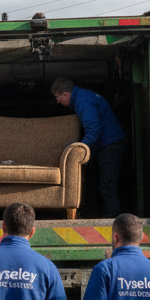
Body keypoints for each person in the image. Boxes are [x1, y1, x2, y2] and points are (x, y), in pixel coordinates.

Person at [51, 77, 126, 217]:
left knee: (107, 188)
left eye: (57, 97)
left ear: (66, 94)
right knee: (102, 186)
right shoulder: (83, 97)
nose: (57, 101)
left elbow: (93, 130)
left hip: (110, 145)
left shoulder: (83, 101)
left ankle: (113, 223)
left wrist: (79, 150)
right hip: (107, 145)